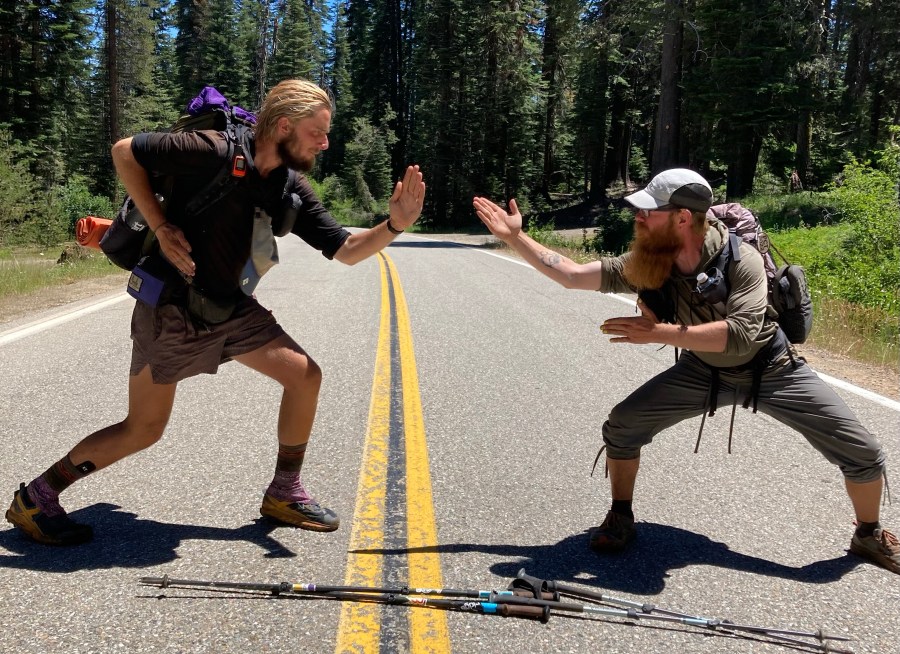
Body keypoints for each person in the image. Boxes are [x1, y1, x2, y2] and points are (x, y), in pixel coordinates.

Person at [6, 79, 425, 546]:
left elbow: (345, 250)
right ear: (284, 126)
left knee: (304, 376)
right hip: (172, 309)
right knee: (143, 429)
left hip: (230, 308)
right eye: (318, 132)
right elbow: (125, 151)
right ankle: (36, 499)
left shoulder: (288, 184)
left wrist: (395, 225)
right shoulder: (213, 149)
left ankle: (284, 492)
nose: (324, 142)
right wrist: (161, 226)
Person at [473, 168, 899, 575]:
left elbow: (741, 335)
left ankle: (867, 534)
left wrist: (658, 332)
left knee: (862, 451)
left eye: (648, 210)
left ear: (681, 217)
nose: (639, 217)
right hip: (703, 370)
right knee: (623, 425)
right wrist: (515, 237)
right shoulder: (652, 258)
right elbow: (571, 275)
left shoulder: (742, 259)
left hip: (772, 368)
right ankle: (621, 515)